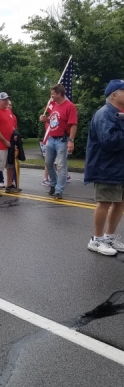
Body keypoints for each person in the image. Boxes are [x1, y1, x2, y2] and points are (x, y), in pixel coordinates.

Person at [85, 79, 124, 256]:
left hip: (119, 168)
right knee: (105, 203)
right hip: (106, 167)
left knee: (120, 203)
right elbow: (109, 142)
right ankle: (97, 239)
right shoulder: (105, 114)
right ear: (114, 94)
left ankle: (109, 237)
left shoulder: (119, 113)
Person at [39, 84, 77, 200]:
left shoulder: (70, 106)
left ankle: (59, 190)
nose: (51, 96)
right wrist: (46, 119)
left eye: (53, 94)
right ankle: (54, 185)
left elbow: (73, 125)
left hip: (62, 140)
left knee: (61, 166)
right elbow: (54, 119)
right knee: (48, 163)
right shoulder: (55, 105)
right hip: (51, 139)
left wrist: (71, 140)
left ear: (59, 94)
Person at [0, 100, 17, 188]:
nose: (9, 106)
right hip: (2, 142)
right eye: (8, 104)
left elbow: (15, 128)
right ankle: (0, 180)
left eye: (11, 105)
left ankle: (11, 181)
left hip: (11, 142)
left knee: (10, 163)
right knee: (0, 163)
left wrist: (16, 135)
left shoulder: (13, 117)